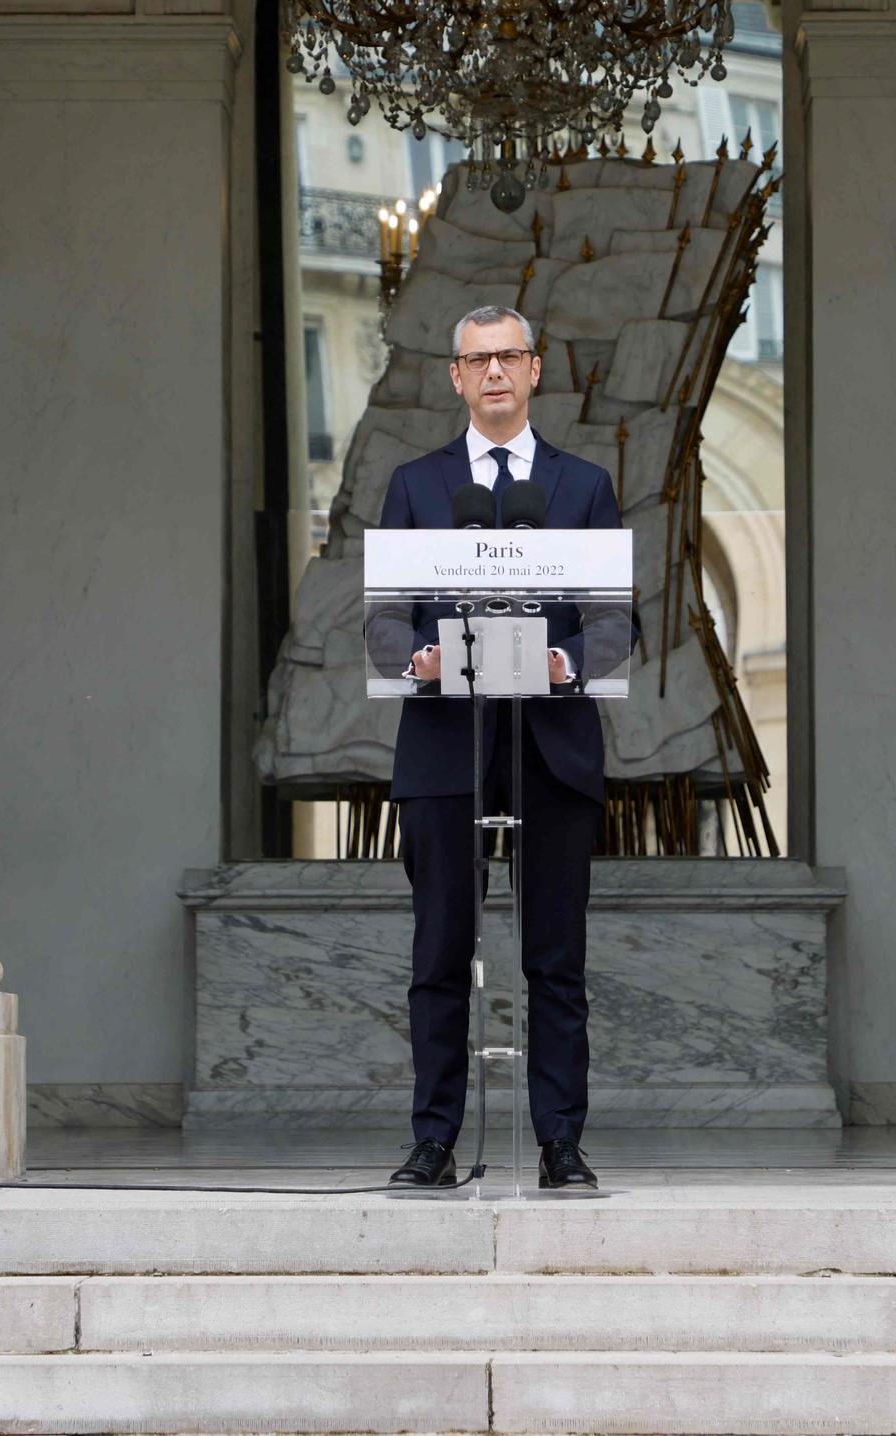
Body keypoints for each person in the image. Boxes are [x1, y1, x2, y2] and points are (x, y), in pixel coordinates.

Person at [366, 305, 628, 1191]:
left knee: (556, 958)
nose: (494, 374)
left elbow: (617, 626)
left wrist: (563, 662)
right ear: (454, 377)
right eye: (476, 360)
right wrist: (417, 658)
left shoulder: (583, 485)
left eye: (509, 356)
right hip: (447, 739)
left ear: (536, 368)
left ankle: (560, 1143)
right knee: (440, 951)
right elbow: (380, 626)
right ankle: (434, 1141)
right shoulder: (416, 485)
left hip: (551, 741)